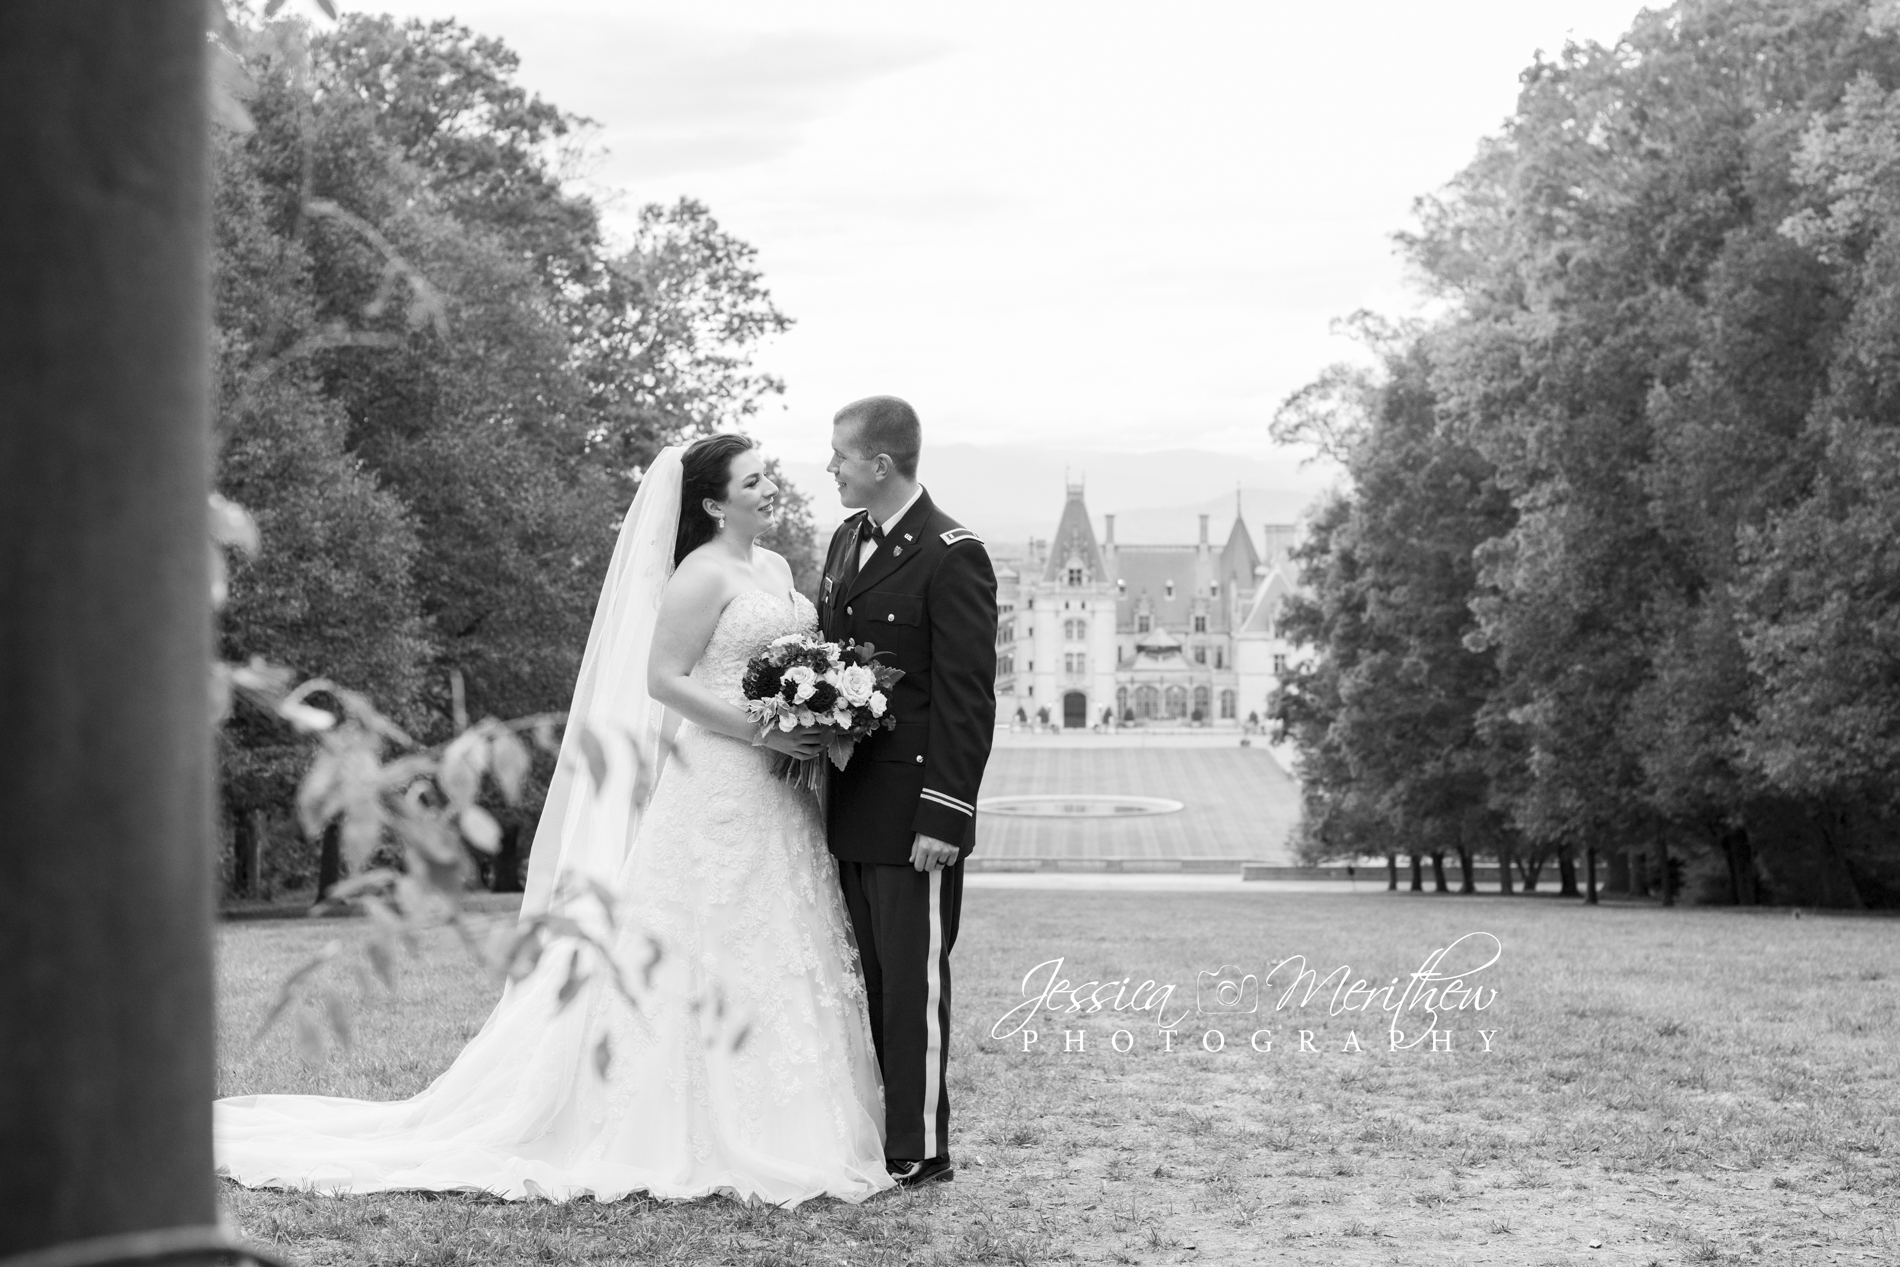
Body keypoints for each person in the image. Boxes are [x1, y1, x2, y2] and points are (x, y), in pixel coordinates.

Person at [214, 436, 893, 1207]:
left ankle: (797, 1122)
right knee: (702, 937)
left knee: (779, 935)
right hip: (720, 781)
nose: (773, 487)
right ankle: (680, 1123)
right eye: (755, 479)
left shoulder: (773, 569)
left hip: (781, 793)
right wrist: (763, 729)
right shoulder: (698, 576)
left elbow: (775, 664)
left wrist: (814, 705)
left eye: (767, 474)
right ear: (712, 502)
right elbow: (664, 682)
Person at [820, 396, 998, 1189]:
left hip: (913, 816)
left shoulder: (951, 552)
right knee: (867, 984)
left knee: (912, 987)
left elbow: (967, 697)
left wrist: (946, 815)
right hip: (849, 804)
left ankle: (920, 1147)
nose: (832, 469)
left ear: (880, 463)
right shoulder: (845, 540)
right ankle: (877, 1133)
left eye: (841, 457)